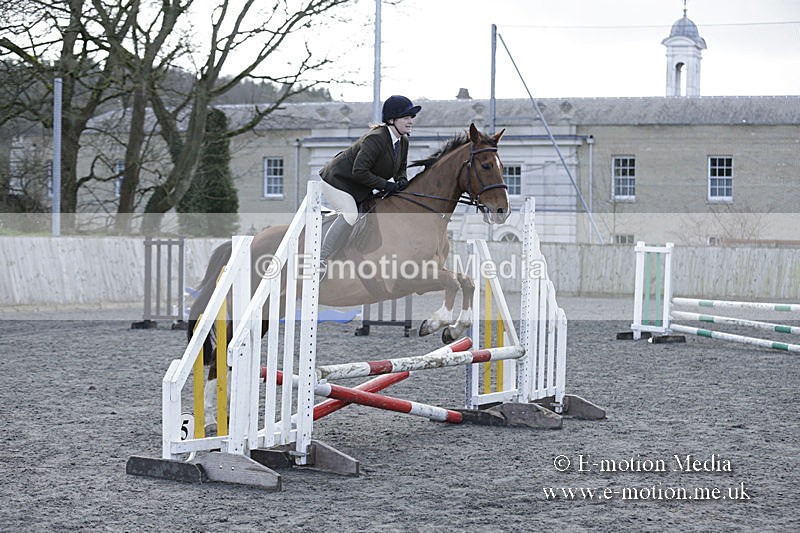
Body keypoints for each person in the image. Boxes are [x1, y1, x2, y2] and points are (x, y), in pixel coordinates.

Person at [318, 94, 421, 272]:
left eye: (411, 117)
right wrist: (387, 185)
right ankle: (320, 259)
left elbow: (401, 168)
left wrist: (401, 181)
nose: (410, 121)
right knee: (351, 215)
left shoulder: (403, 140)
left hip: (359, 186)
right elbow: (359, 171)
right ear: (391, 120)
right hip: (337, 181)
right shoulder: (376, 138)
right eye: (406, 117)